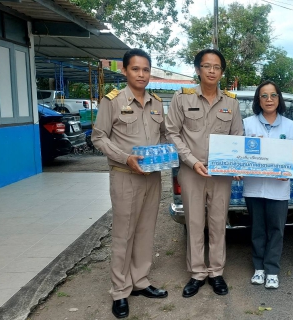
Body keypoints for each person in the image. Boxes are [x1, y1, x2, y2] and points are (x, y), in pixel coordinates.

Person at [92, 48, 168, 319]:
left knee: (146, 230)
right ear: (124, 71)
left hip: (153, 176)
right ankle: (120, 291)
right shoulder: (112, 101)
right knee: (124, 234)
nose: (141, 74)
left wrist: (166, 155)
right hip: (125, 175)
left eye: (146, 69)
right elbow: (99, 137)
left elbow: (164, 136)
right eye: (135, 69)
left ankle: (140, 281)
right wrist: (125, 158)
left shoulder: (157, 102)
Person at [165, 49, 243, 298]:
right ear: (198, 69)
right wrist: (190, 160)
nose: (212, 71)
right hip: (191, 171)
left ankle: (216, 272)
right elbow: (171, 132)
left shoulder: (231, 102)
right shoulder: (182, 98)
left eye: (217, 67)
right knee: (195, 222)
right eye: (207, 66)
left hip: (221, 174)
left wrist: (235, 164)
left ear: (221, 72)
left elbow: (237, 136)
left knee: (218, 222)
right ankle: (197, 273)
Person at [241, 80, 293, 289]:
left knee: (276, 229)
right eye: (264, 96)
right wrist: (238, 168)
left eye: (273, 95)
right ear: (258, 100)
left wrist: (288, 170)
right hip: (254, 187)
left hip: (278, 187)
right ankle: (258, 268)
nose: (269, 100)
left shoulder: (290, 125)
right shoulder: (248, 124)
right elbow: (241, 152)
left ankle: (272, 270)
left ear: (279, 99)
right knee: (257, 228)